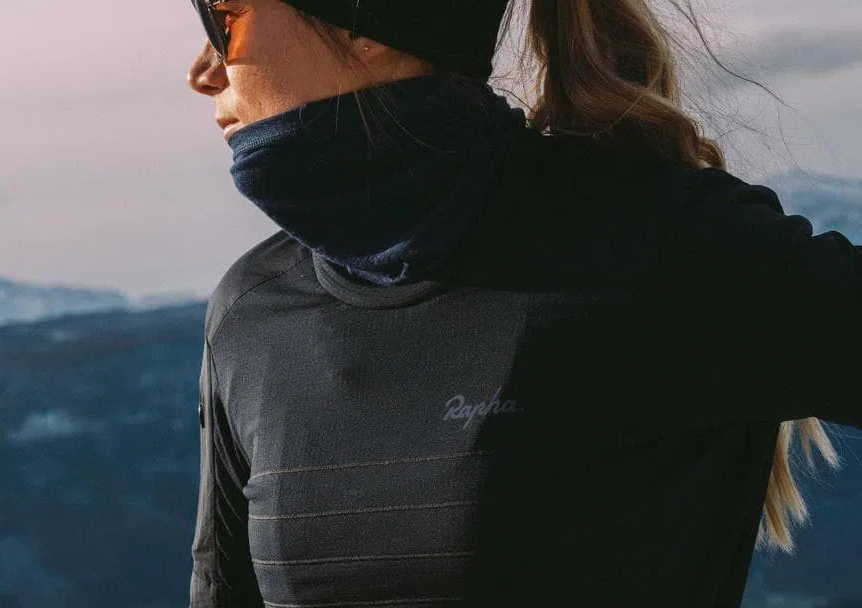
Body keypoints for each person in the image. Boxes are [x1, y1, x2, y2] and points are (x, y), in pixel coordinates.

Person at [183, 0, 862, 606]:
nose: (203, 71)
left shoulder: (651, 246)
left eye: (222, 17)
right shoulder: (251, 312)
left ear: (364, 26)